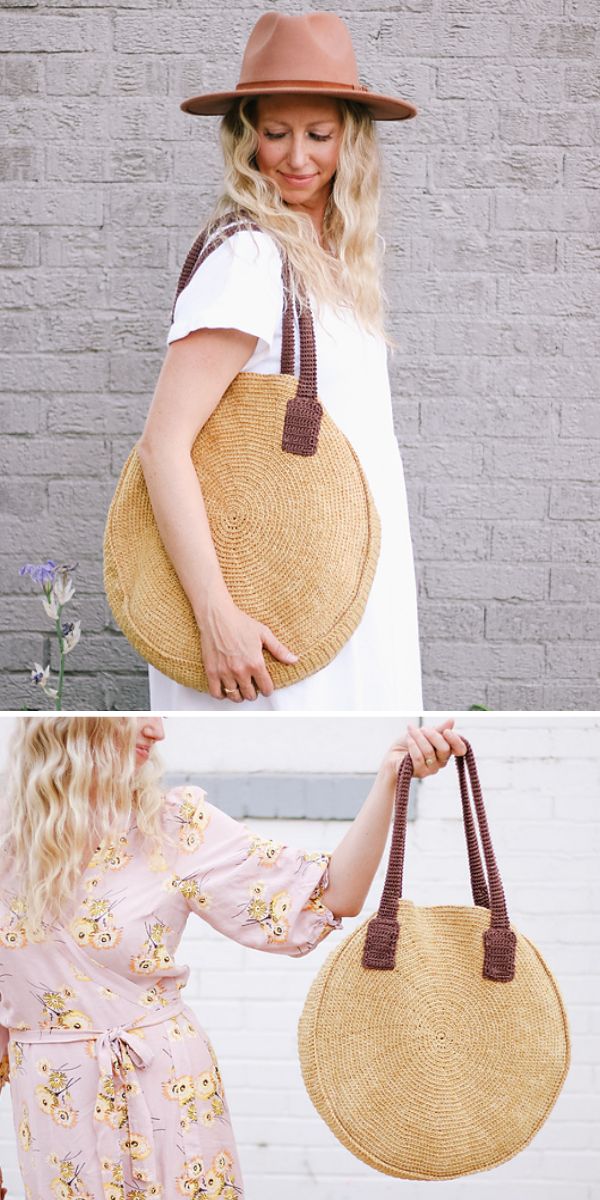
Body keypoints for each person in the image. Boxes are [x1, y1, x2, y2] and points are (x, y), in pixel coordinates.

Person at [0, 714, 466, 1199]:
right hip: (57, 1107)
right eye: (136, 717)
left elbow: (333, 895)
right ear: (68, 725)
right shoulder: (6, 847)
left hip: (166, 1085)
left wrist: (390, 779)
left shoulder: (171, 823)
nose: (157, 730)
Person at [135, 11, 423, 711]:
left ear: (350, 139)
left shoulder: (329, 258)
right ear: (247, 137)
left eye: (318, 134)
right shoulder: (250, 257)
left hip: (336, 583)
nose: (297, 156)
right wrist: (216, 617)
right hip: (264, 611)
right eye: (275, 132)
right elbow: (162, 445)